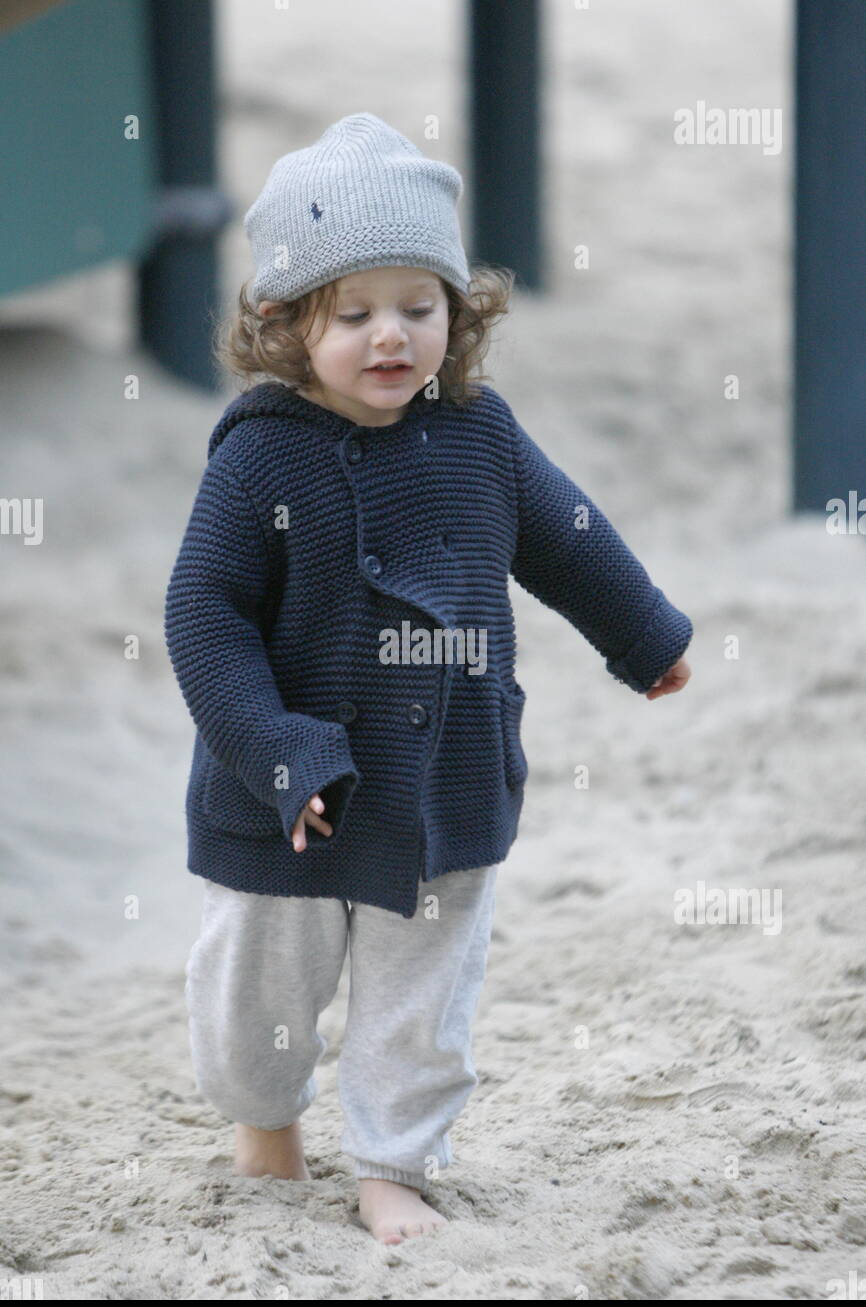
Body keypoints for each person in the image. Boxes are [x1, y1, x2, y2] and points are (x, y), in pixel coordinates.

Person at [164, 112, 693, 1245]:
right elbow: (202, 615)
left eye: (419, 305)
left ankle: (394, 1163)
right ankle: (265, 1127)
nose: (390, 336)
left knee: (421, 994)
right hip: (286, 793)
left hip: (441, 776)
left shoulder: (479, 433)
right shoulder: (259, 452)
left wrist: (644, 634)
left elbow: (566, 536)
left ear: (458, 313)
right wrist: (274, 750)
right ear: (281, 323)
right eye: (351, 313)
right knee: (257, 989)